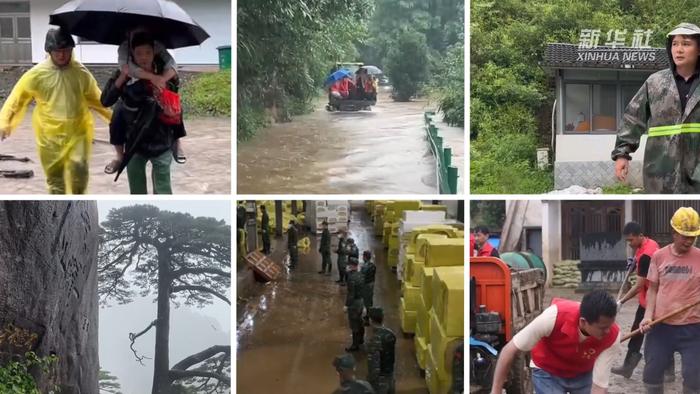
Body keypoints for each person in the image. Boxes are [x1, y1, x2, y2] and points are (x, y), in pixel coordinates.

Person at [0, 28, 111, 194]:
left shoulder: (80, 73)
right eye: (57, 51)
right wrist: (4, 123)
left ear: (71, 50)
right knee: (55, 181)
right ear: (49, 51)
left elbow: (98, 100)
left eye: (66, 51)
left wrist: (116, 121)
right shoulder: (36, 75)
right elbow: (16, 100)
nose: (62, 56)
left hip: (78, 133)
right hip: (49, 136)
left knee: (79, 175)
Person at [612, 23, 700, 193]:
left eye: (686, 44)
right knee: (661, 216)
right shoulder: (655, 83)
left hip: (697, 172)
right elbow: (633, 117)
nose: (679, 49)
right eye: (675, 44)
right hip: (660, 172)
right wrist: (622, 153)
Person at [100, 32, 185, 194]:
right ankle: (119, 156)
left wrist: (164, 94)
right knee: (137, 189)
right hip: (135, 140)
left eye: (147, 53)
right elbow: (105, 101)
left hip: (161, 139)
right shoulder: (124, 72)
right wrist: (123, 77)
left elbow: (174, 92)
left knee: (163, 189)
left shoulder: (165, 72)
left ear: (155, 53)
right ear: (131, 54)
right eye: (138, 53)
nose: (144, 57)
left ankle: (178, 143)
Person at [490, 290, 621, 394]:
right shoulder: (554, 317)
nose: (608, 331)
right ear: (583, 322)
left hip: (583, 374)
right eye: (602, 328)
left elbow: (599, 387)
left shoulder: (612, 337)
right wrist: (495, 391)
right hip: (547, 371)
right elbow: (509, 350)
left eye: (610, 325)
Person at [639, 207, 700, 393]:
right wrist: (648, 316)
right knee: (652, 372)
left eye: (692, 236)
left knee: (694, 375)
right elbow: (653, 290)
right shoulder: (659, 256)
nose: (689, 240)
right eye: (684, 236)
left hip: (693, 327)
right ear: (674, 232)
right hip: (661, 326)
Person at [612, 221, 661, 379]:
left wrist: (622, 301)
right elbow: (639, 257)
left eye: (631, 240)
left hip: (652, 298)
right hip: (649, 296)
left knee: (656, 333)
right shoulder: (648, 243)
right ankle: (628, 366)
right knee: (638, 331)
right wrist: (634, 263)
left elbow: (639, 286)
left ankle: (665, 370)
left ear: (640, 236)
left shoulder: (647, 255)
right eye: (627, 240)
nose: (629, 243)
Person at [366, 307, 396, 394]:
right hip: (390, 377)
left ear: (371, 320)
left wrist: (370, 382)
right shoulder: (391, 334)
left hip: (380, 381)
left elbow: (374, 366)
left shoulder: (375, 339)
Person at [345, 257, 365, 352]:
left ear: (351, 266)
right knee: (360, 321)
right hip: (361, 301)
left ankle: (355, 345)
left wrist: (347, 305)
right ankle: (361, 340)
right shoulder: (361, 275)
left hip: (354, 303)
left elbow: (351, 293)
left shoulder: (351, 278)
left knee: (354, 324)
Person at [361, 250, 377, 326]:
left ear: (365, 257)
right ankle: (368, 315)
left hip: (366, 285)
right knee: (370, 301)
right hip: (371, 284)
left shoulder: (364, 267)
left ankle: (367, 320)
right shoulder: (373, 265)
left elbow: (362, 277)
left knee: (366, 301)